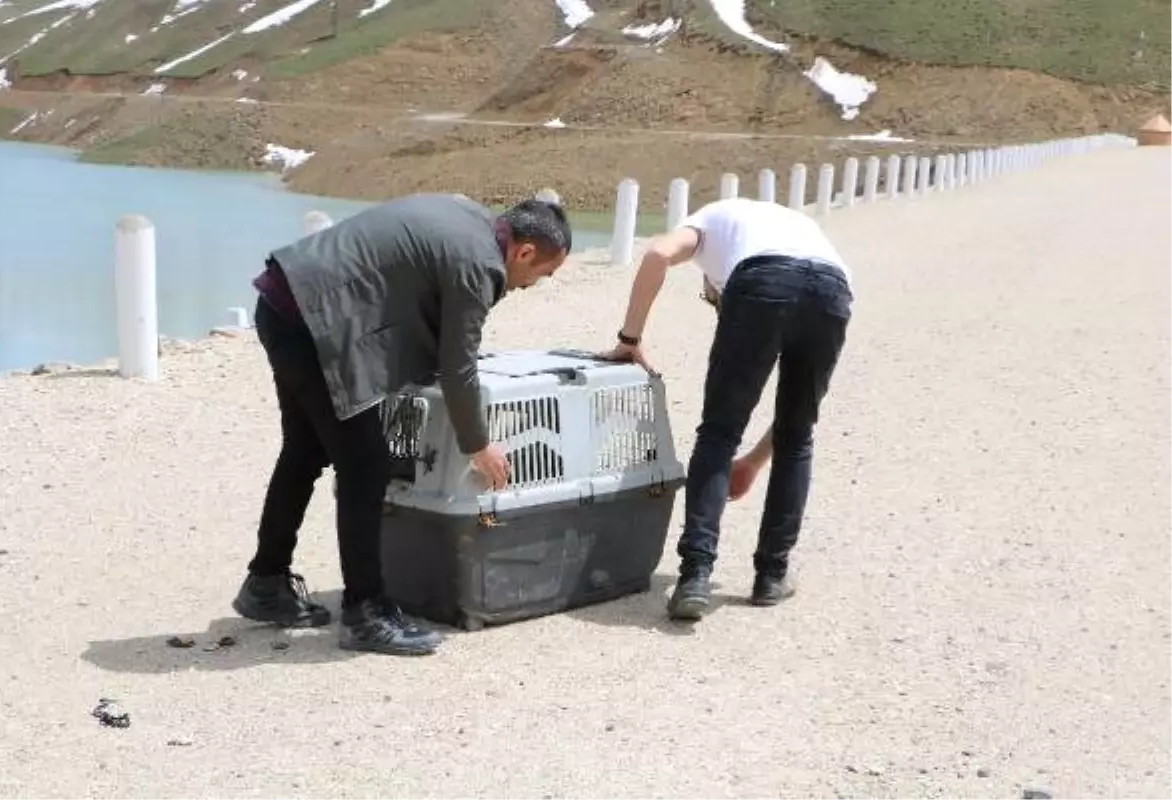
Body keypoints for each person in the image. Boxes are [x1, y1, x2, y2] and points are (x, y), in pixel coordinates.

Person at [234, 194, 572, 655]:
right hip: (313, 324)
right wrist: (478, 445)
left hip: (283, 302)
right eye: (542, 274)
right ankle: (365, 612)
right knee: (366, 464)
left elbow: (413, 298)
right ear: (524, 252)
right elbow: (459, 367)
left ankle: (266, 582)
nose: (534, 284)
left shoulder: (469, 217)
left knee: (306, 449)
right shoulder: (481, 266)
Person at [601, 197, 853, 621]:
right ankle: (772, 575)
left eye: (712, 300)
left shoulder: (706, 220)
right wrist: (754, 462)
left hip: (762, 280)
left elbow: (657, 254)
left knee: (719, 431)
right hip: (833, 291)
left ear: (714, 286)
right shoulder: (797, 232)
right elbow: (797, 421)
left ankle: (695, 576)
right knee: (798, 435)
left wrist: (630, 339)